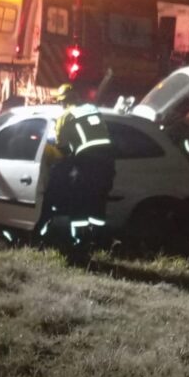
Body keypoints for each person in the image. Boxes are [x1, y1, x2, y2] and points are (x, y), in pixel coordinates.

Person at [36, 84, 116, 257]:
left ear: (63, 102)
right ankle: (98, 240)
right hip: (108, 163)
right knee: (98, 202)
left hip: (88, 163)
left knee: (80, 203)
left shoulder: (66, 116)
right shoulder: (92, 109)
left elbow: (60, 144)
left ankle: (80, 242)